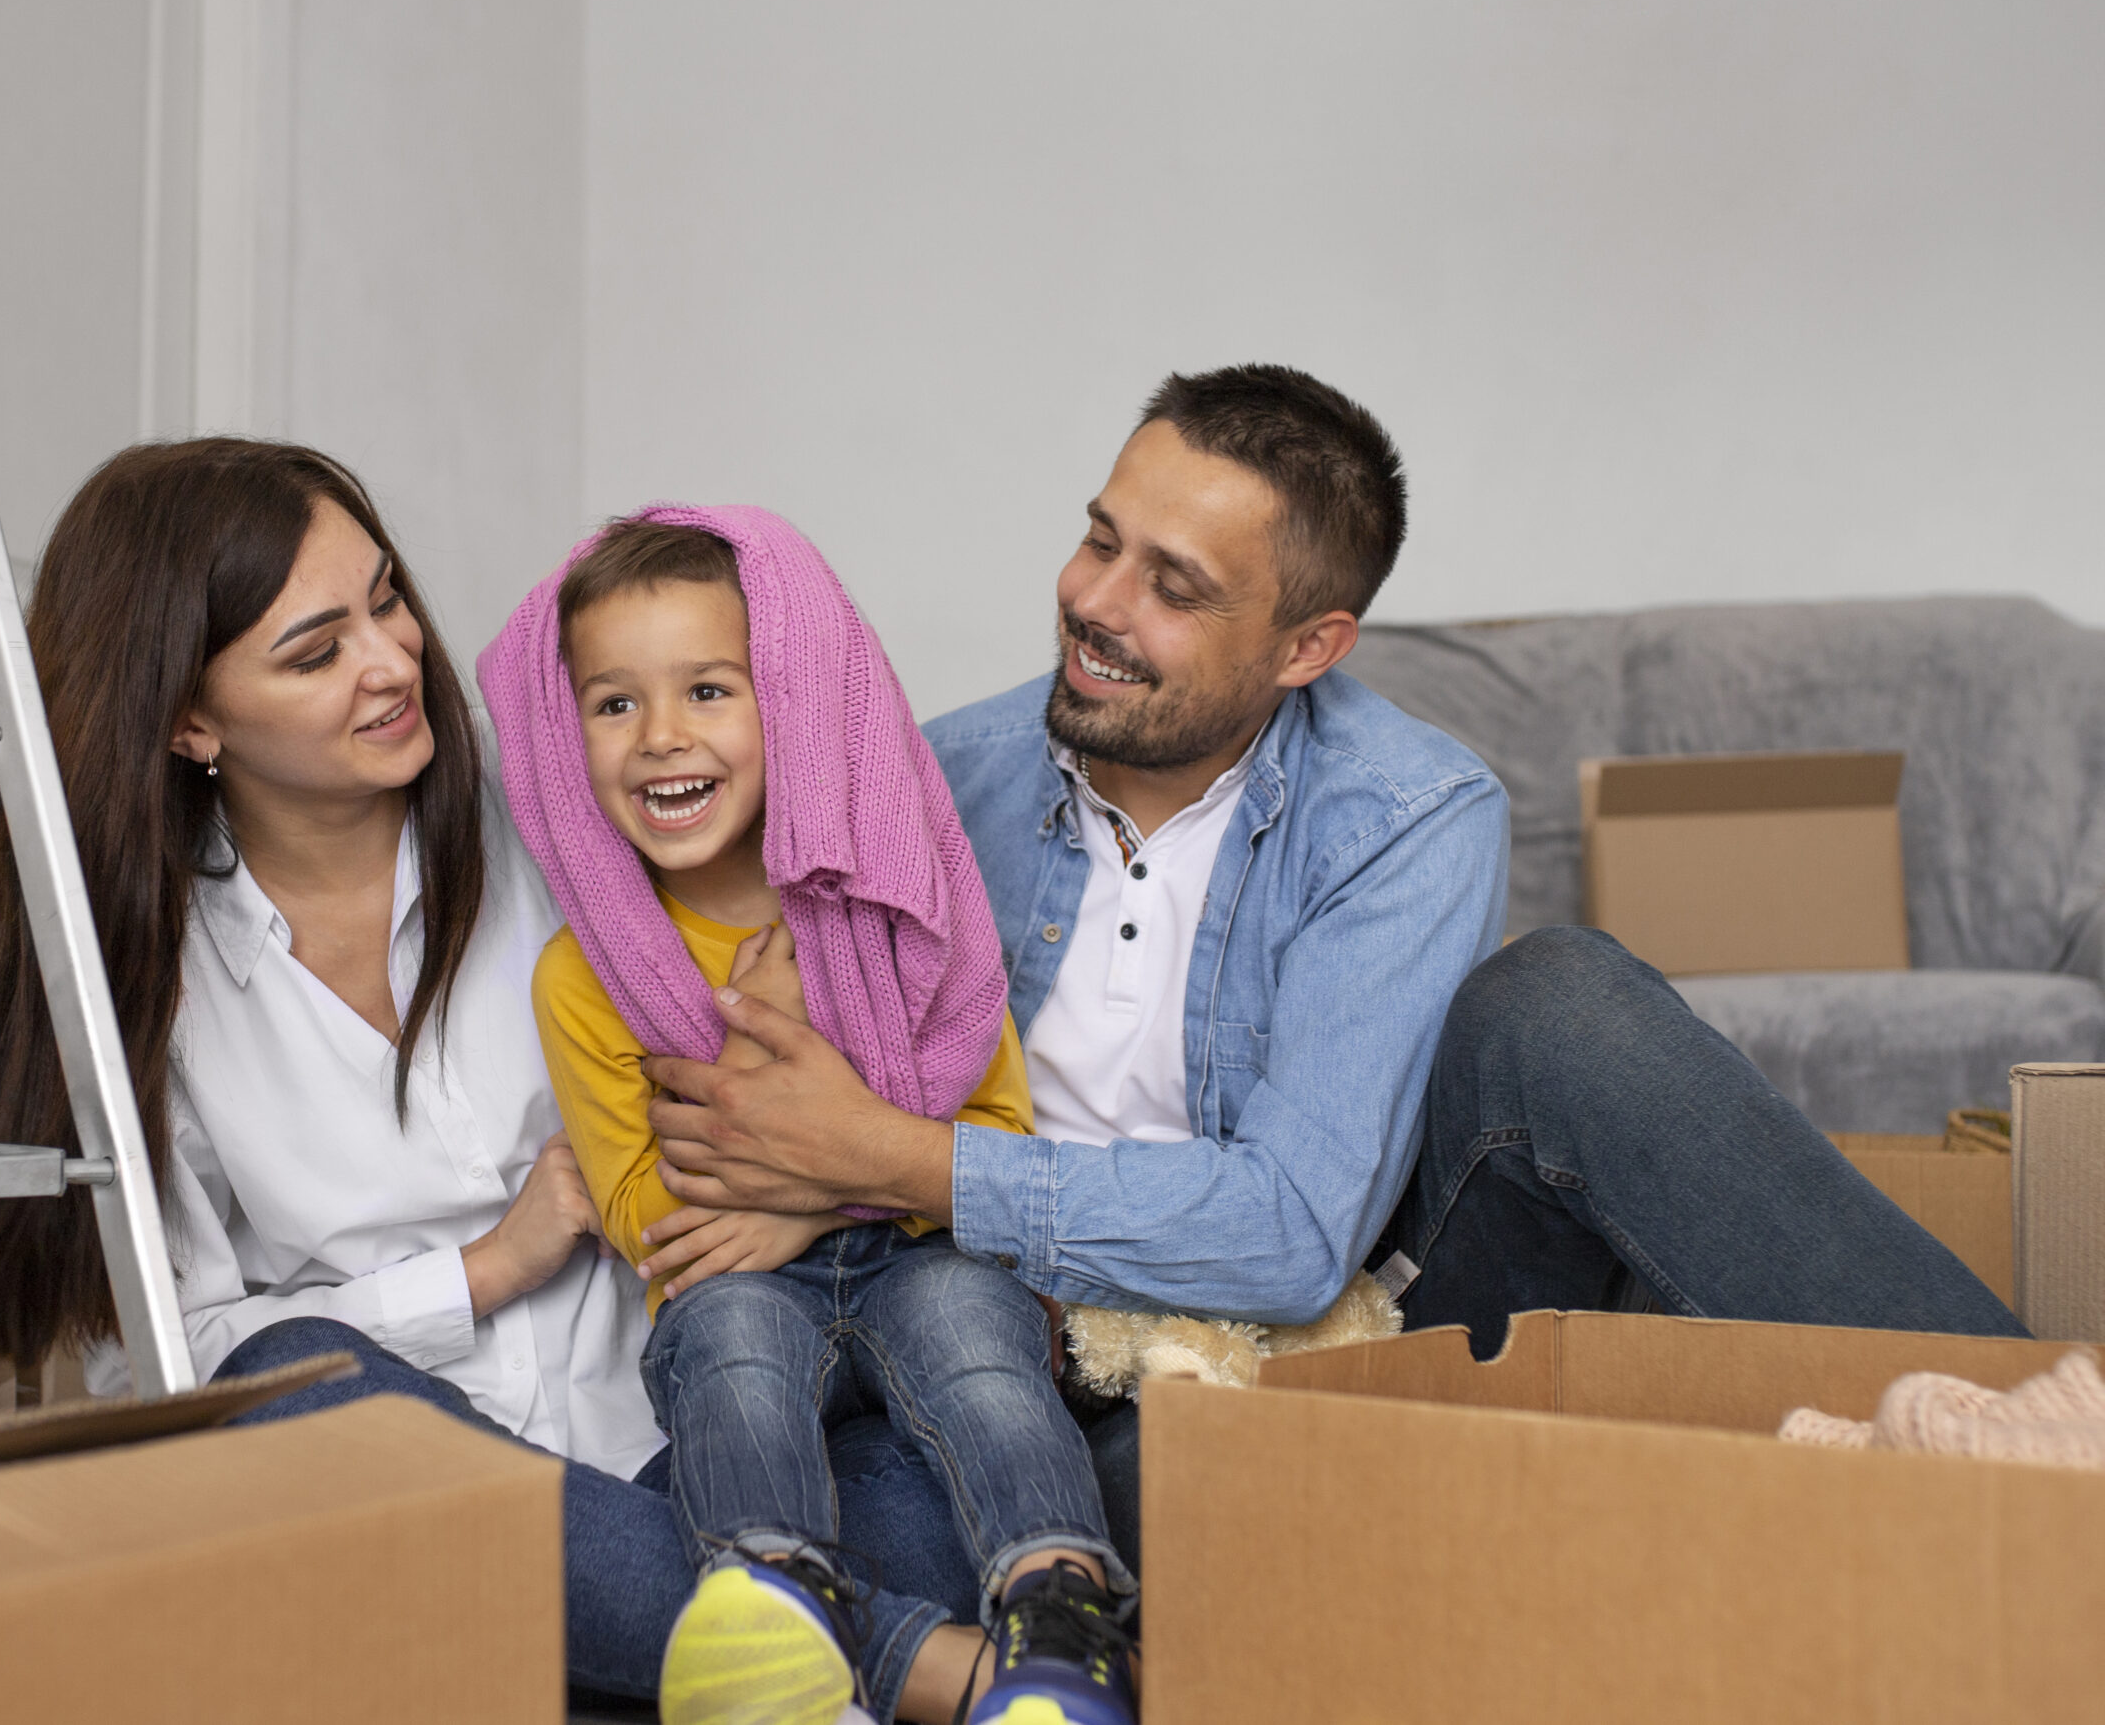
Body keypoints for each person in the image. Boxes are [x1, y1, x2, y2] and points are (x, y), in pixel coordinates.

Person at [633, 364, 2032, 1572]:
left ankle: (2039, 1429)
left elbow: (1294, 1236)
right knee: (728, 1525)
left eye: (1173, 586)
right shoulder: (933, 784)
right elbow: (751, 1102)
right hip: (1016, 1401)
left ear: (1311, 646)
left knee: (1559, 1000)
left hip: (1320, 1358)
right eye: (1099, 540)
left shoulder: (1409, 811)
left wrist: (901, 1162)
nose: (1095, 603)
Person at [0, 439, 984, 1715]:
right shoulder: (151, 982)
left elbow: (832, 792)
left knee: (927, 1423)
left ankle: (700, 1661)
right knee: (278, 1395)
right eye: (315, 652)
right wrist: (485, 1270)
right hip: (419, 1489)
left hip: (708, 1457)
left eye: (387, 600)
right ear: (191, 719)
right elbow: (164, 1364)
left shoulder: (568, 822)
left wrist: (809, 965)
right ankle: (913, 1669)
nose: (390, 662)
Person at [479, 507, 1135, 1725]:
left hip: (918, 1252)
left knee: (975, 1348)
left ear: (793, 704)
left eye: (709, 690)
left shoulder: (902, 907)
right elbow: (644, 1218)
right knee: (725, 1346)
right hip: (736, 1278)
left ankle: (1059, 1616)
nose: (661, 736)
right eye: (613, 704)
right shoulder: (585, 974)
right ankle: (771, 1595)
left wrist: (807, 1194)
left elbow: (989, 1128)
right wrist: (800, 1161)